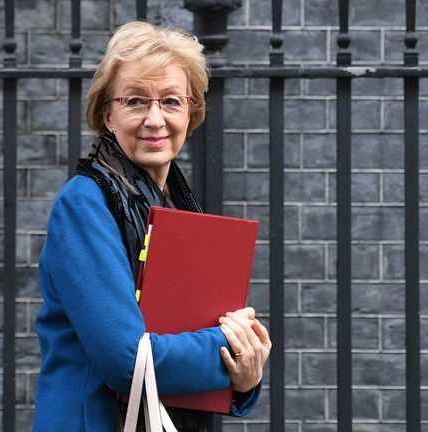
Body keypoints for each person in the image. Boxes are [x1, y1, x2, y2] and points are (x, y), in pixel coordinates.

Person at [33, 21, 271, 432]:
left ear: (191, 112)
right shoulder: (85, 203)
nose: (155, 119)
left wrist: (246, 377)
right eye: (136, 101)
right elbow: (126, 360)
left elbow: (180, 337)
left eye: (171, 102)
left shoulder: (176, 206)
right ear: (107, 114)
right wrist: (232, 347)